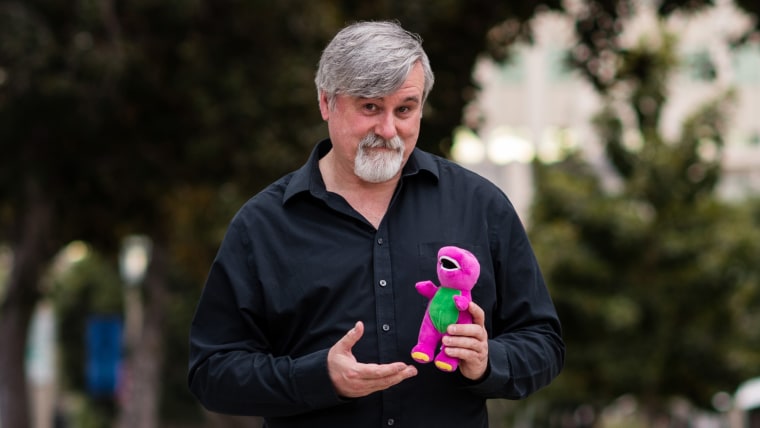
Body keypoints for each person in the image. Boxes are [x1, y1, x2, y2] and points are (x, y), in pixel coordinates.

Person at [188, 20, 564, 428]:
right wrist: (318, 377)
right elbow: (212, 372)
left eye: (404, 109)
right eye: (370, 107)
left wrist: (490, 361)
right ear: (326, 103)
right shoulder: (262, 225)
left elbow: (543, 342)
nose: (388, 130)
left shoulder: (480, 206)